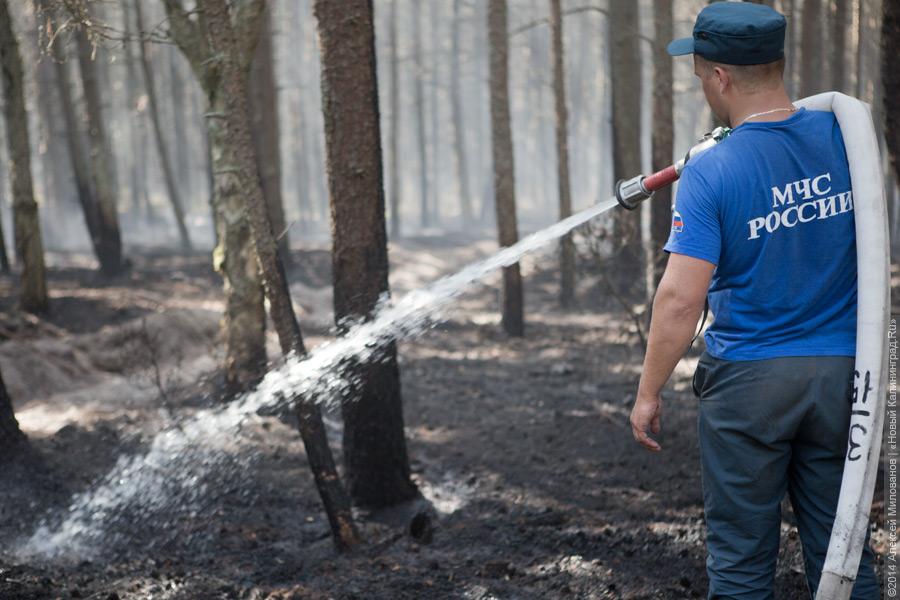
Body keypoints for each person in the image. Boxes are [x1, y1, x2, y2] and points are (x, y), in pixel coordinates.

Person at [628, 2, 880, 599]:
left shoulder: (713, 171)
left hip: (750, 386)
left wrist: (647, 392)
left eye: (699, 76)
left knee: (741, 564)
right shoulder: (845, 138)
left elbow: (679, 301)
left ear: (720, 78)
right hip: (846, 378)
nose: (701, 87)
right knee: (844, 553)